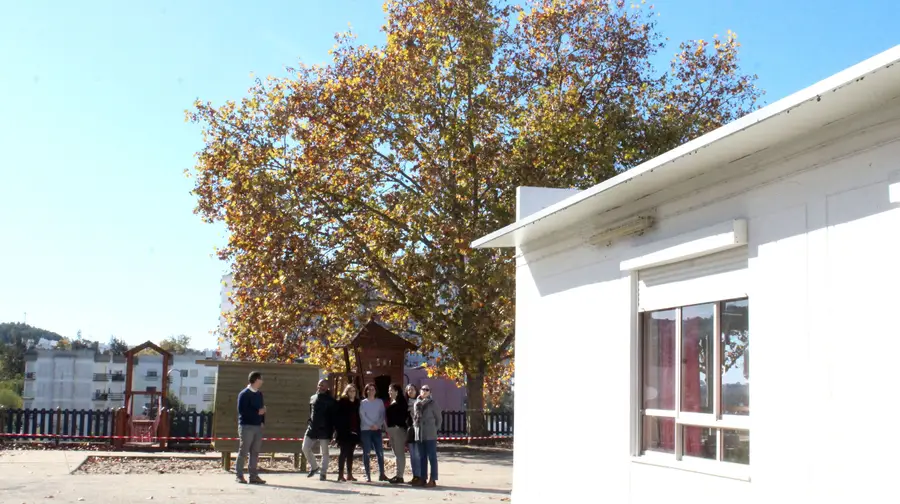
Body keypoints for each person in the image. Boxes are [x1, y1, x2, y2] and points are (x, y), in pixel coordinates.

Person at [302, 378, 337, 481]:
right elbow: (311, 412)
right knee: (305, 448)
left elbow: (333, 417)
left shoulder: (331, 401)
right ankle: (314, 467)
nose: (321, 387)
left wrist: (333, 432)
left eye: (323, 385)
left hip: (325, 429)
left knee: (325, 452)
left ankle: (323, 472)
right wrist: (310, 421)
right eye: (319, 385)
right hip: (312, 428)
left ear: (327, 387)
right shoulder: (312, 398)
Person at [236, 371, 266, 485]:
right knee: (243, 451)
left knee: (255, 452)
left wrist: (262, 420)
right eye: (261, 379)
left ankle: (253, 476)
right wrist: (257, 412)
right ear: (256, 380)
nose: (262, 381)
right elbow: (242, 411)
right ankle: (239, 476)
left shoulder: (259, 394)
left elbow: (262, 408)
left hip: (258, 426)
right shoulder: (244, 394)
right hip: (246, 426)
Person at [413, 384, 442, 488]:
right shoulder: (416, 403)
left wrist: (434, 429)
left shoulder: (433, 404)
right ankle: (422, 478)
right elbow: (415, 418)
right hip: (419, 434)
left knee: (432, 457)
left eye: (427, 390)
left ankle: (433, 479)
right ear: (420, 391)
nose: (424, 391)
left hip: (430, 434)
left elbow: (439, 419)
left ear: (430, 392)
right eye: (423, 389)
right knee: (422, 457)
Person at [359, 383, 389, 482]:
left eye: (373, 389)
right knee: (367, 452)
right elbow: (362, 415)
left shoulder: (379, 402)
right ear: (366, 391)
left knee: (380, 452)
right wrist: (371, 424)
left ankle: (382, 474)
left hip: (377, 430)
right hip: (366, 430)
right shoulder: (363, 403)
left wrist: (377, 425)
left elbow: (382, 415)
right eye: (369, 389)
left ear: (375, 391)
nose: (371, 391)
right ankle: (368, 474)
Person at [334, 384, 361, 482]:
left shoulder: (358, 402)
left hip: (354, 431)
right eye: (350, 391)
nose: (352, 393)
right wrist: (338, 431)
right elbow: (337, 418)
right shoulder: (342, 402)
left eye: (354, 391)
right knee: (343, 453)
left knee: (351, 454)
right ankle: (340, 474)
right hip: (344, 432)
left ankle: (349, 474)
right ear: (346, 392)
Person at [385, 383, 408, 483]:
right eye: (389, 390)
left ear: (397, 391)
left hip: (398, 430)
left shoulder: (401, 402)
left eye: (391, 390)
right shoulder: (392, 401)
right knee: (396, 454)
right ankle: (398, 474)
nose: (389, 392)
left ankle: (400, 476)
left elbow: (403, 416)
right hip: (392, 430)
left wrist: (398, 426)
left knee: (400, 454)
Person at [404, 384, 422, 486]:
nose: (410, 391)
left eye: (412, 389)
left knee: (418, 455)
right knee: (412, 455)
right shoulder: (405, 403)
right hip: (410, 430)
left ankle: (420, 476)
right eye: (408, 390)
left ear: (416, 390)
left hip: (419, 430)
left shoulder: (420, 402)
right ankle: (415, 476)